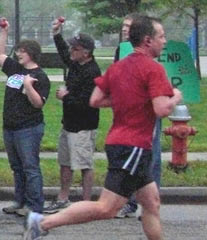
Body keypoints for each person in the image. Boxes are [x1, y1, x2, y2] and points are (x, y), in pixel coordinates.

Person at [24, 16, 182, 240]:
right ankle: (41, 223)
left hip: (125, 144)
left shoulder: (118, 68)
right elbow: (161, 109)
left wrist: (129, 99)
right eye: (161, 36)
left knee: (152, 203)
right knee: (107, 207)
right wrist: (175, 97)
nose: (164, 41)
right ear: (148, 40)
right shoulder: (153, 69)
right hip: (133, 146)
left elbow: (96, 100)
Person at [43, 18, 101, 214]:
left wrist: (66, 97)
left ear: (86, 52)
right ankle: (63, 197)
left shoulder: (92, 71)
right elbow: (62, 52)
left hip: (84, 126)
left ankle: (86, 202)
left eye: (75, 49)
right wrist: (57, 34)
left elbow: (88, 102)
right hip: (68, 123)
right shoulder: (76, 64)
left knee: (84, 164)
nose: (71, 51)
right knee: (65, 162)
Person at [0, 18, 51, 216]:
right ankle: (19, 201)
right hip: (10, 126)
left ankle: (34, 205)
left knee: (30, 167)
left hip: (28, 128)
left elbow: (39, 103)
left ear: (31, 54)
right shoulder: (15, 69)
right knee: (17, 167)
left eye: (22, 51)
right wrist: (4, 32)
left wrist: (28, 86)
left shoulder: (40, 76)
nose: (18, 54)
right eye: (18, 51)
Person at [114, 13, 163, 218]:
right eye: (123, 26)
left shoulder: (150, 51)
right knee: (132, 155)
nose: (125, 29)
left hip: (149, 109)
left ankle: (149, 204)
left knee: (151, 154)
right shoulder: (122, 51)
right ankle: (130, 202)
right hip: (128, 111)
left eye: (129, 26)